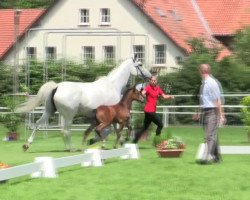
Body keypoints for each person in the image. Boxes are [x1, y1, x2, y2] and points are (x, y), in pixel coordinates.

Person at [195, 63, 225, 164]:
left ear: (202, 71)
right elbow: (204, 100)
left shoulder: (212, 83)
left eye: (199, 71)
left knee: (209, 135)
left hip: (212, 111)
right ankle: (217, 157)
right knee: (211, 135)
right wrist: (199, 112)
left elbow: (217, 100)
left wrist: (221, 116)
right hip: (205, 111)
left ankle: (206, 157)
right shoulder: (204, 84)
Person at [133, 75, 174, 143]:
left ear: (156, 81)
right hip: (149, 111)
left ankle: (134, 141)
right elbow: (143, 93)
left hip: (150, 111)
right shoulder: (148, 88)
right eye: (152, 80)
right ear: (150, 81)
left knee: (144, 128)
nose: (153, 81)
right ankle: (157, 141)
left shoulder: (157, 88)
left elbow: (163, 96)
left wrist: (170, 96)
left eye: (154, 80)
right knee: (160, 124)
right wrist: (142, 93)